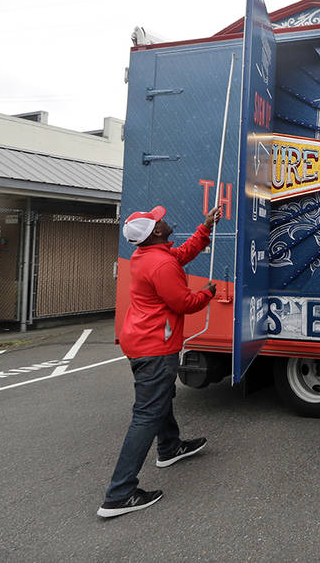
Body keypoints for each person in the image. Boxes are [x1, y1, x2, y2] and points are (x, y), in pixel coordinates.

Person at [97, 203, 222, 518]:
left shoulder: (151, 255)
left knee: (159, 397)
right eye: (158, 220)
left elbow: (180, 255)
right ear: (155, 232)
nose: (163, 219)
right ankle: (119, 494)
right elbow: (182, 302)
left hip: (141, 341)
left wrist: (205, 227)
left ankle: (169, 447)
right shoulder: (159, 264)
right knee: (147, 414)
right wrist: (207, 293)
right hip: (154, 346)